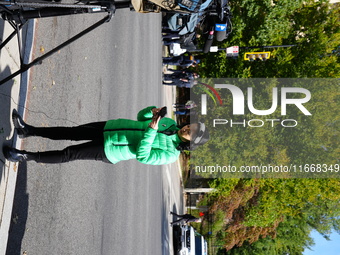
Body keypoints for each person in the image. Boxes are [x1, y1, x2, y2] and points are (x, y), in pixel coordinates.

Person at [3, 107, 209, 165]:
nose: (188, 129)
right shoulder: (171, 123)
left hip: (111, 150)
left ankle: (25, 156)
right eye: (192, 126)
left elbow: (143, 156)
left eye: (192, 134)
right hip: (112, 127)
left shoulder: (171, 154)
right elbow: (140, 117)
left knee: (70, 154)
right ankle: (28, 130)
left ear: (191, 143)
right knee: (70, 132)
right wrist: (151, 112)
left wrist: (152, 131)